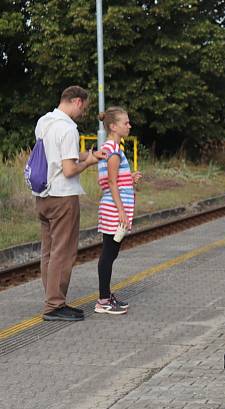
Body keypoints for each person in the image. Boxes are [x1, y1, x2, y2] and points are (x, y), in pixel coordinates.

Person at [34, 86, 107, 322]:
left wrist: (88, 156)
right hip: (63, 197)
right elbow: (68, 169)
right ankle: (54, 305)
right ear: (77, 101)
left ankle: (52, 299)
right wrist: (87, 164)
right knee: (63, 253)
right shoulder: (68, 128)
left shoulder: (44, 122)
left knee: (48, 251)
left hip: (43, 195)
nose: (83, 112)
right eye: (83, 107)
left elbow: (58, 156)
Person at [93, 107, 140, 315]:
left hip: (115, 207)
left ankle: (106, 295)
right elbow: (111, 183)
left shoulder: (112, 148)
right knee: (108, 254)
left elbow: (108, 180)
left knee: (111, 253)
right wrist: (121, 211)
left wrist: (129, 179)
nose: (129, 125)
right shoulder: (112, 150)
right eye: (125, 122)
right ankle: (103, 300)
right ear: (113, 126)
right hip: (114, 209)